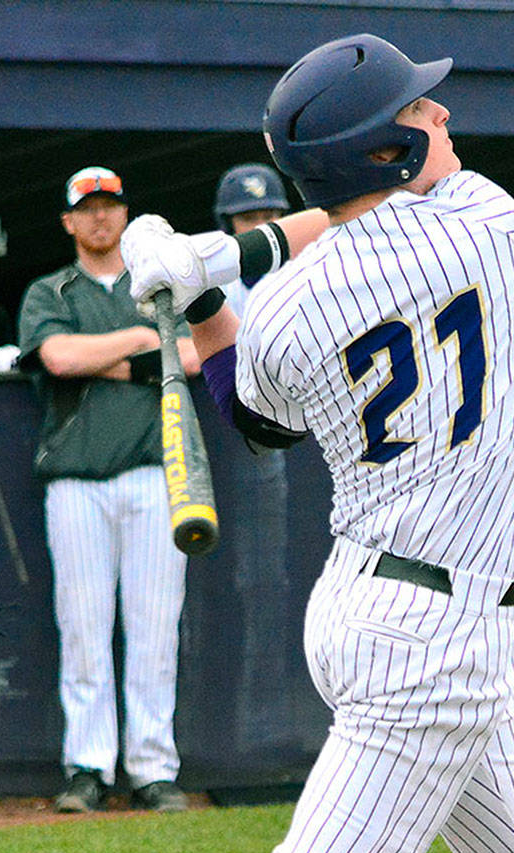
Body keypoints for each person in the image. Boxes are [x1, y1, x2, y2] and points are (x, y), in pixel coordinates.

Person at [120, 33, 514, 853]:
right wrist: (224, 256)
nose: (441, 112)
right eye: (418, 107)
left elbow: (256, 421)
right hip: (431, 644)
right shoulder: (483, 217)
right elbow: (369, 212)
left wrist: (204, 290)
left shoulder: (281, 312)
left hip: (381, 607)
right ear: (388, 146)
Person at [15, 166, 201, 814]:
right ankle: (87, 767)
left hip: (156, 473)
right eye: (87, 207)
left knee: (153, 627)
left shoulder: (155, 282)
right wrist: (142, 345)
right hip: (75, 478)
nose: (100, 216)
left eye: (111, 205)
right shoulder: (49, 288)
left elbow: (196, 357)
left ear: (126, 213)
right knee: (84, 627)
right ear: (68, 220)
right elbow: (58, 358)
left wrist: (114, 356)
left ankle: (152, 768)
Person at [211, 161, 297, 758]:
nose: (260, 225)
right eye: (247, 217)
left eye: (269, 214)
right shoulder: (215, 286)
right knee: (229, 589)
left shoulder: (312, 273)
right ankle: (232, 731)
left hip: (306, 454)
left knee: (275, 585)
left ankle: (272, 726)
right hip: (234, 448)